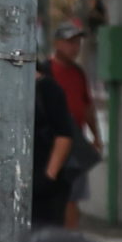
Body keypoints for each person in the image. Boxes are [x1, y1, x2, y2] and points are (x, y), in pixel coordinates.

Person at [47, 23, 103, 229]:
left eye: (77, 43)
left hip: (75, 141)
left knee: (74, 195)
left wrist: (95, 135)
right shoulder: (47, 71)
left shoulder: (78, 73)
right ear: (57, 43)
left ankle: (70, 234)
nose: (75, 47)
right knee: (60, 194)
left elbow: (86, 106)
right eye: (70, 42)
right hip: (54, 143)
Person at [32, 64, 79, 230]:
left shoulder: (47, 88)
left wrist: (49, 176)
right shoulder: (4, 88)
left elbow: (64, 135)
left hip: (45, 179)